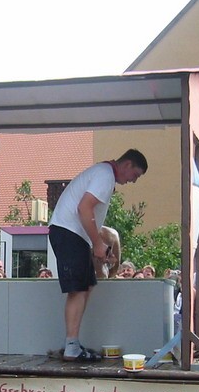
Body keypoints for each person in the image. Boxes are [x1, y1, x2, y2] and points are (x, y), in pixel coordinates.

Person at [48, 148, 148, 362]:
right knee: (78, 289)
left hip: (72, 234)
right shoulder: (105, 175)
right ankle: (71, 347)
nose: (133, 181)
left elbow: (88, 216)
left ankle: (72, 344)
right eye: (135, 175)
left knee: (87, 285)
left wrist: (101, 246)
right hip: (68, 233)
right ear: (127, 164)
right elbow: (84, 208)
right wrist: (97, 244)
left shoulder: (103, 173)